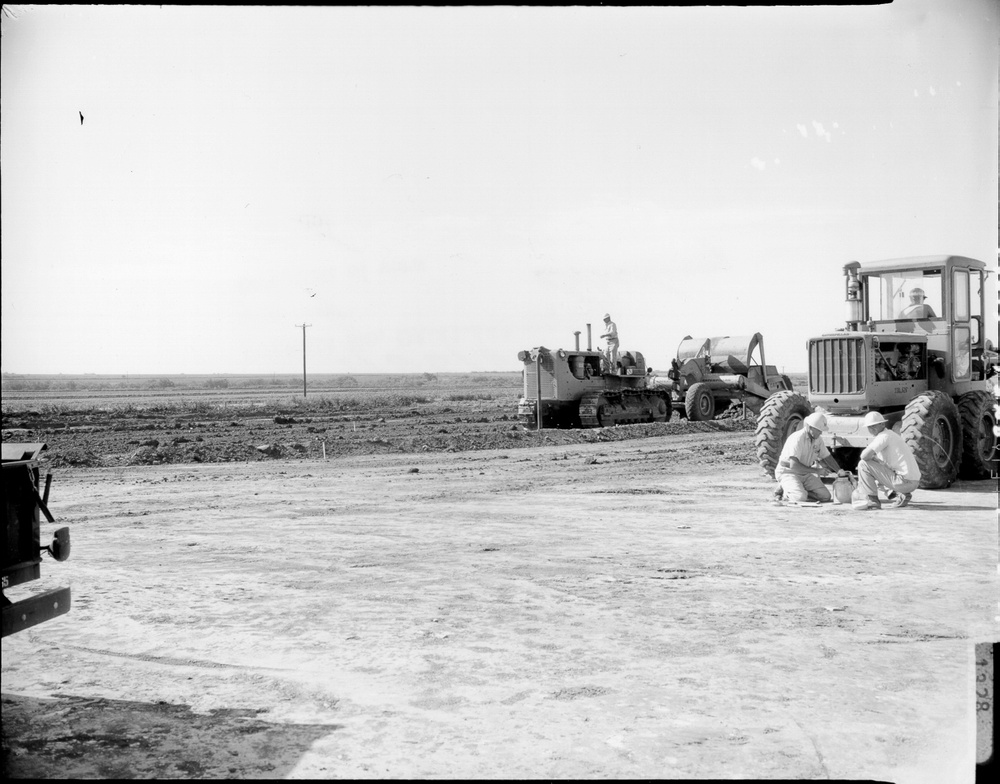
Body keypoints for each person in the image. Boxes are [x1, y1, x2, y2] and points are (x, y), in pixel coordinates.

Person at [854, 411, 921, 510]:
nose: (871, 429)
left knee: (863, 465)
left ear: (882, 424)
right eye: (869, 427)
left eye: (874, 426)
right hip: (913, 482)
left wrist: (872, 459)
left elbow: (864, 456)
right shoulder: (891, 435)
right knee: (875, 469)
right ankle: (900, 495)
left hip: (903, 481)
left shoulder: (884, 436)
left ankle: (873, 501)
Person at [774, 412, 844, 503]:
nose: (821, 432)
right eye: (819, 430)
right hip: (789, 472)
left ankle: (796, 490)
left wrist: (839, 471)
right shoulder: (797, 438)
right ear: (810, 427)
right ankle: (784, 489)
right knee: (799, 498)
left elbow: (827, 456)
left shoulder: (817, 439)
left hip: (804, 473)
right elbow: (794, 466)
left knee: (825, 497)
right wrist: (817, 471)